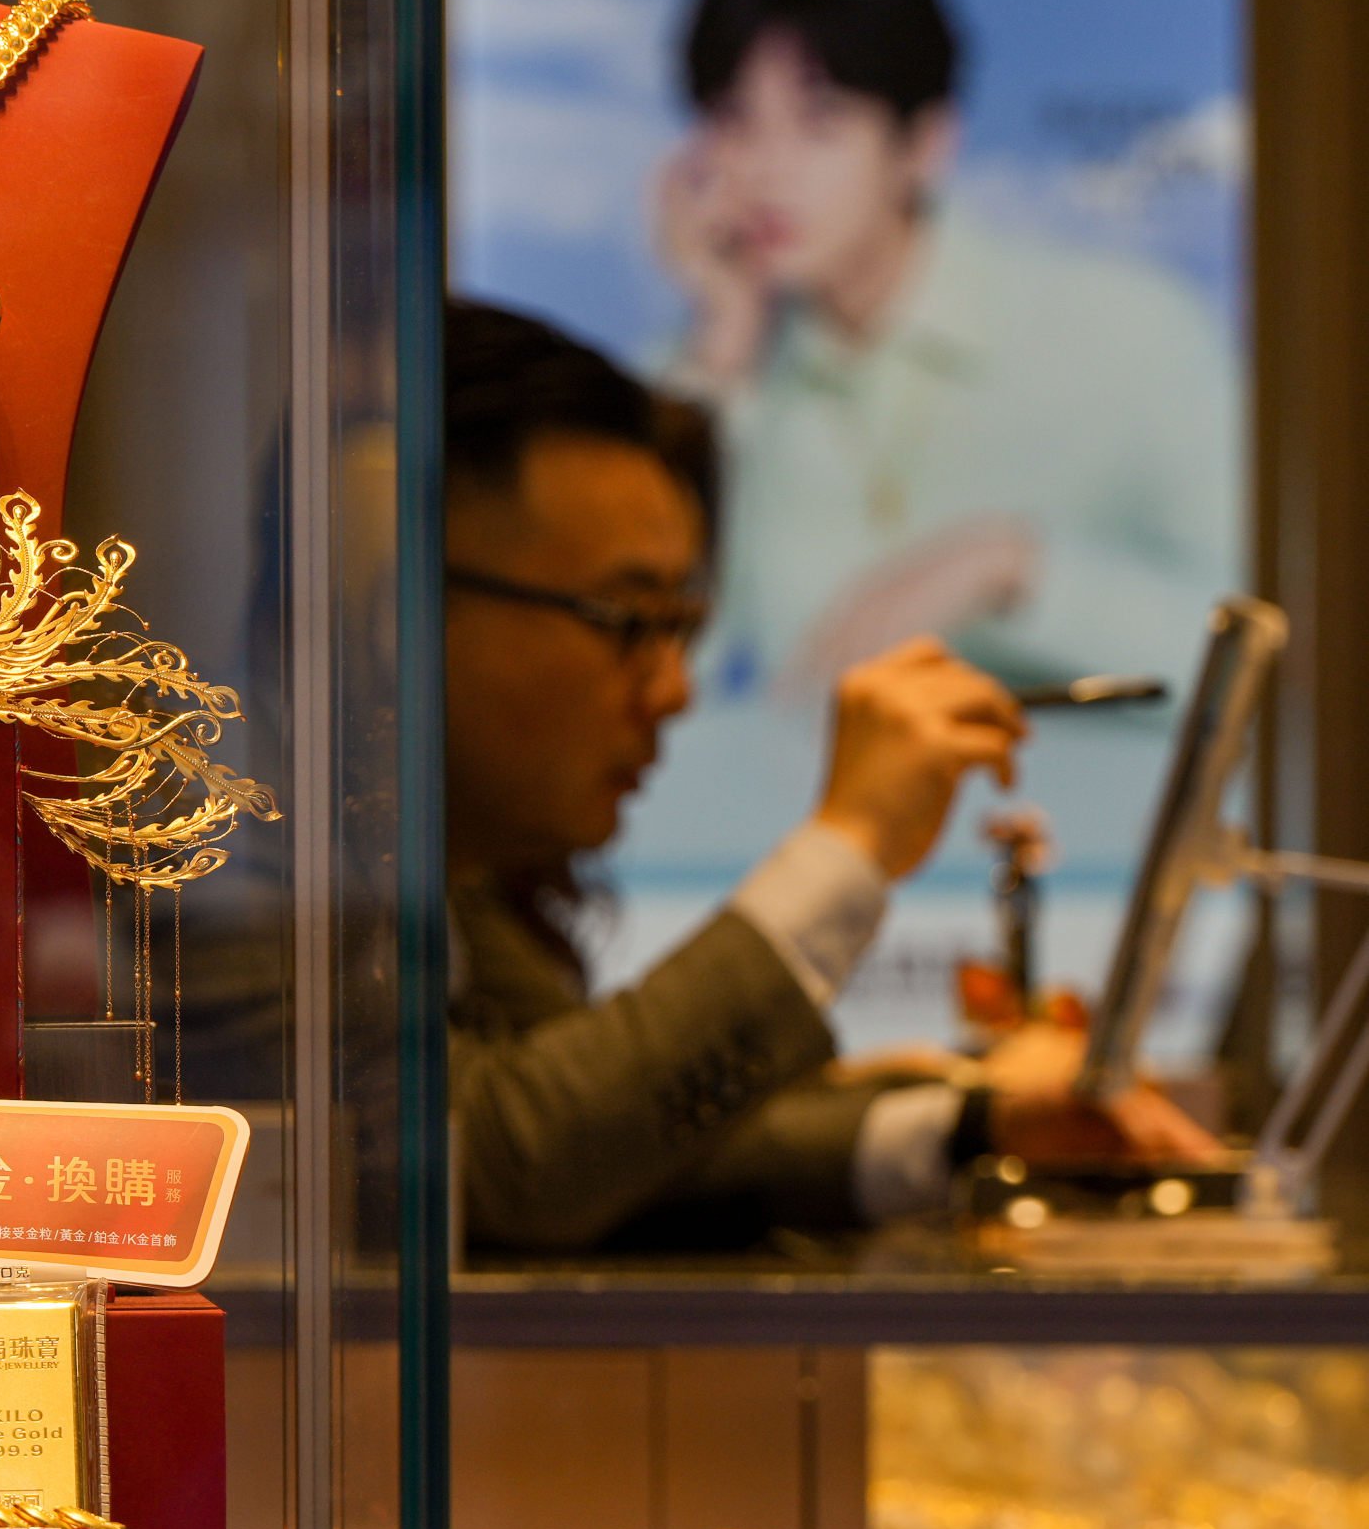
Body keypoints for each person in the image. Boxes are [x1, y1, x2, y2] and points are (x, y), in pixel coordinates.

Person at [445, 299, 1212, 1253]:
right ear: (395, 600)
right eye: (627, 620)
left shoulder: (446, 882)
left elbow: (613, 1143)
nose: (674, 692)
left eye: (682, 631)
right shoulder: (278, 873)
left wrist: (970, 1129)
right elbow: (510, 1163)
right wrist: (848, 848)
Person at [650, 0, 1237, 700]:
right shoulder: (692, 381)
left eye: (819, 123)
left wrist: (1013, 567)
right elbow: (647, 673)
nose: (764, 168)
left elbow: (1281, 648)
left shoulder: (1134, 332)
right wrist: (720, 359)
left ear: (924, 144)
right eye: (733, 119)